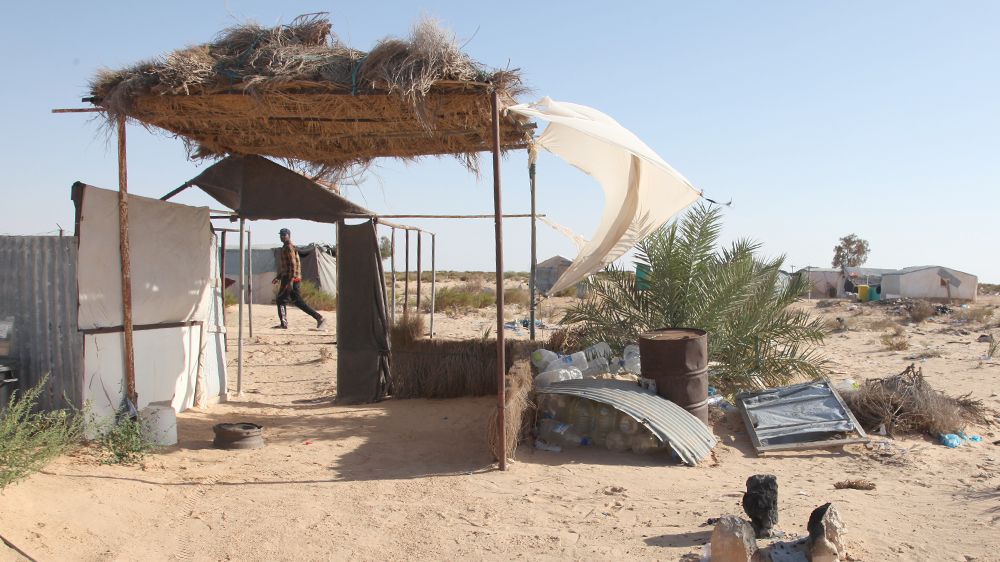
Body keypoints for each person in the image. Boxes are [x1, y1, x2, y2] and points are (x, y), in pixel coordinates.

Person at [272, 228, 327, 330]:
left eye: (284, 235)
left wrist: (290, 280)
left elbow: (293, 265)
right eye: (281, 235)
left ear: (289, 236)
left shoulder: (288, 247)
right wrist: (279, 277)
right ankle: (319, 317)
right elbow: (287, 266)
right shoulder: (287, 247)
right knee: (297, 301)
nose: (282, 237)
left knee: (281, 300)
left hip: (290, 278)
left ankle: (283, 324)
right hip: (292, 277)